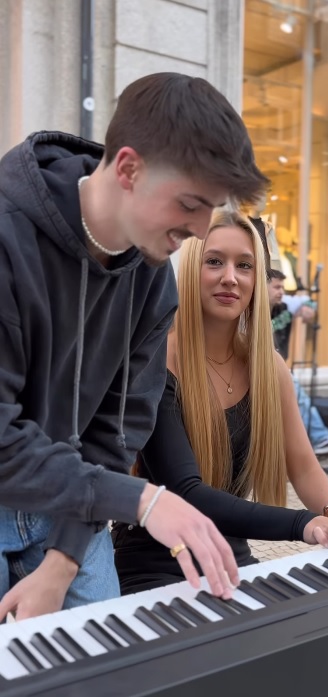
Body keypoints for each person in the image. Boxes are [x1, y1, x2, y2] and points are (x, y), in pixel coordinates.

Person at [0, 73, 270, 621]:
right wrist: (145, 501)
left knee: (98, 672)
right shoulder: (7, 241)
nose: (199, 232)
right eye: (191, 204)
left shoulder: (153, 279)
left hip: (76, 502)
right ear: (128, 168)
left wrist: (61, 563)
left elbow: (114, 435)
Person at [112, 209, 328, 593]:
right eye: (214, 261)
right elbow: (187, 491)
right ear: (190, 270)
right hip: (157, 563)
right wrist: (303, 523)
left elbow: (302, 466)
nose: (230, 277)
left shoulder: (269, 369)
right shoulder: (156, 360)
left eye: (245, 265)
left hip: (230, 556)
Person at [267, 270, 328, 458]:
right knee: (298, 395)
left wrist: (308, 309)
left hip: (278, 368)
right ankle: (320, 438)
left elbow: (309, 301)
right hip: (263, 368)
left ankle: (314, 441)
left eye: (282, 287)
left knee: (299, 399)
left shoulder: (286, 305)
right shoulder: (251, 310)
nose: (281, 291)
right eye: (276, 287)